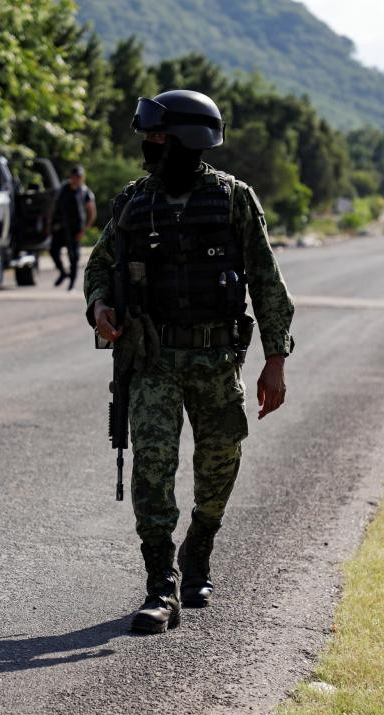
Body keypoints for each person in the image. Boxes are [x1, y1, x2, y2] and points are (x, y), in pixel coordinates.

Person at [84, 90, 294, 634]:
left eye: (158, 137)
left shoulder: (232, 200)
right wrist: (100, 306)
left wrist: (276, 358)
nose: (149, 147)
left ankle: (200, 547)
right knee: (153, 467)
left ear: (188, 140)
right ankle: (161, 585)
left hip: (215, 359)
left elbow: (266, 280)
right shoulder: (133, 202)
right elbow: (99, 266)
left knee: (219, 460)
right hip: (152, 360)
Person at [51, 165, 96, 291]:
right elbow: (53, 207)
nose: (77, 179)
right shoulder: (63, 189)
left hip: (76, 228)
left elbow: (92, 213)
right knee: (53, 251)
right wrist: (49, 225)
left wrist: (84, 230)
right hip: (61, 227)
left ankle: (72, 282)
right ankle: (62, 272)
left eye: (79, 177)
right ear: (71, 177)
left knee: (74, 257)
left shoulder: (85, 191)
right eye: (75, 176)